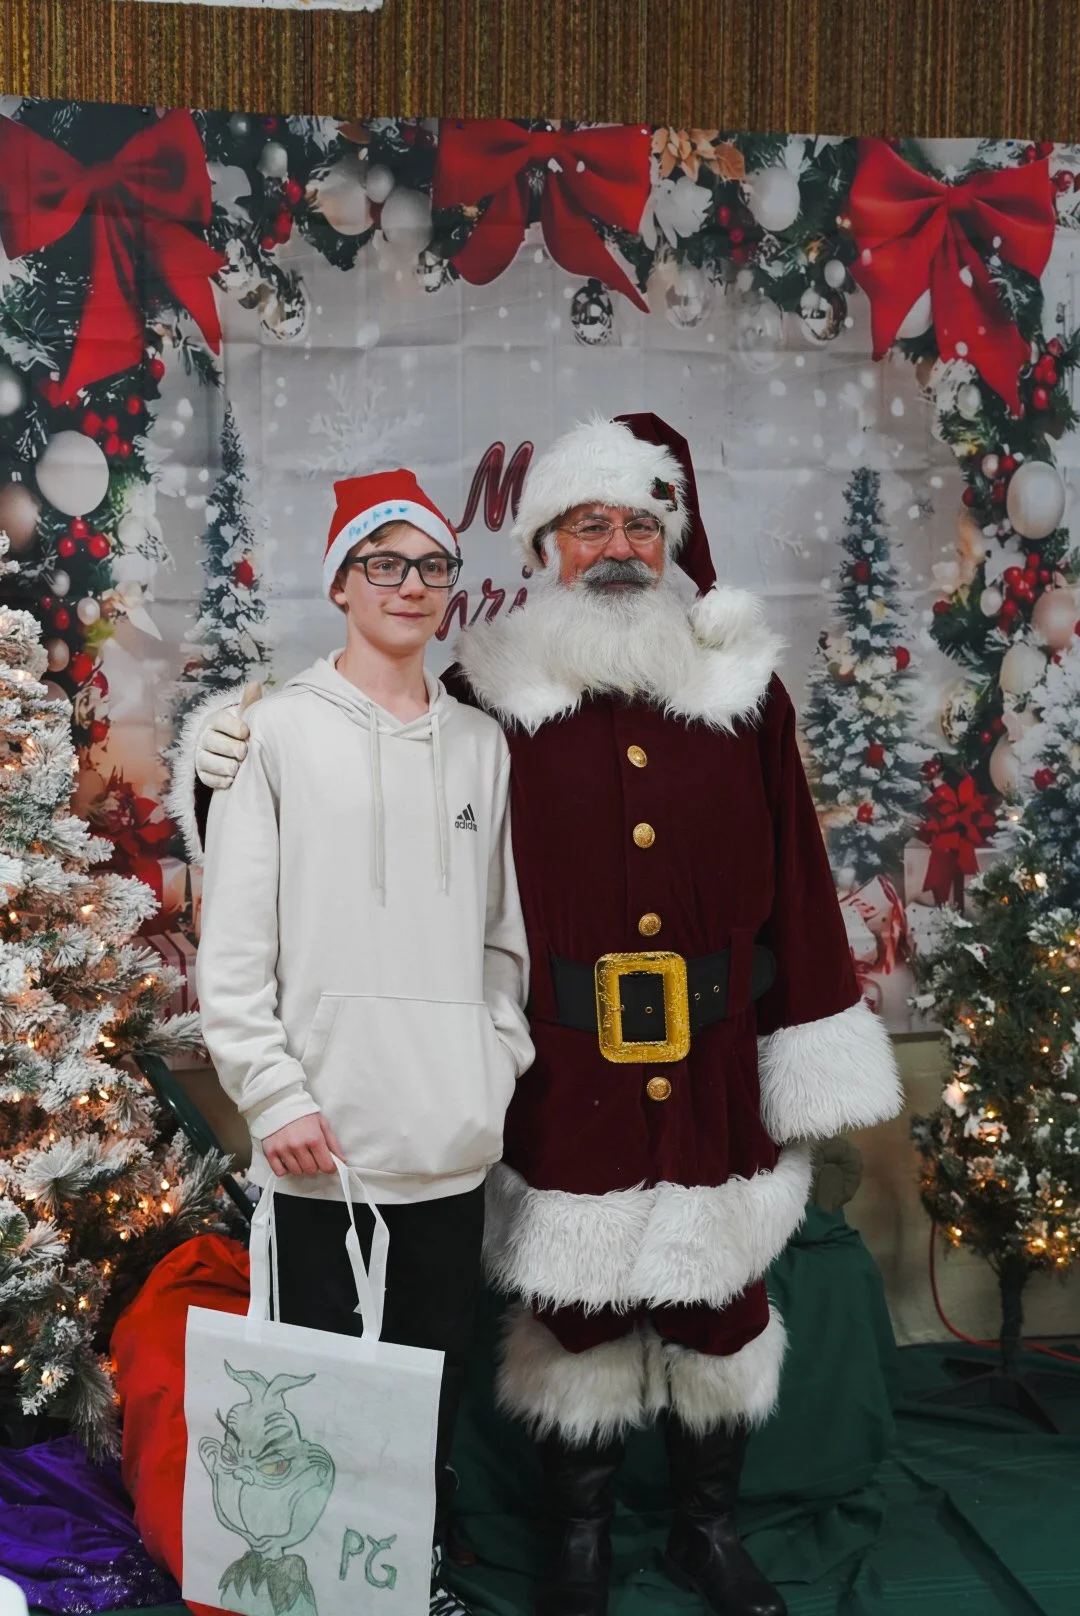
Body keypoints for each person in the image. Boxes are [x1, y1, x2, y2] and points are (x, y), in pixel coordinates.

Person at [182, 417, 902, 1616]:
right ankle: (577, 1543)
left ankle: (704, 1530)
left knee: (719, 1295)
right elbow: (363, 821)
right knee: (576, 1304)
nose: (615, 545)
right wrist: (215, 773)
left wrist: (806, 1043)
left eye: (637, 523)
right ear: (544, 545)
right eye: (588, 524)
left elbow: (802, 878)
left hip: (713, 1052)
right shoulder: (484, 696)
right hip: (567, 1061)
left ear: (669, 539)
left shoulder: (743, 693)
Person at [191, 470, 534, 1616]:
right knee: (321, 1392)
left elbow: (502, 940)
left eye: (431, 566)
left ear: (450, 592)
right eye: (382, 563)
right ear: (340, 582)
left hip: (447, 1132)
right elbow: (233, 950)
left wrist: (495, 1059)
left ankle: (413, 1570)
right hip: (319, 1137)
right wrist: (274, 1093)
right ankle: (323, 1588)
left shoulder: (482, 745)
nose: (409, 585)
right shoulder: (274, 734)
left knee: (428, 1382)